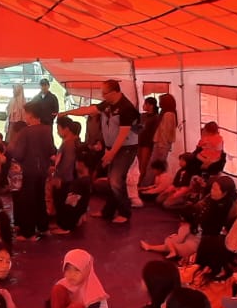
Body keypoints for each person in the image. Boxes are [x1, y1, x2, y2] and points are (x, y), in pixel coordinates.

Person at [60, 79, 142, 224]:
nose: (103, 96)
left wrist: (111, 153)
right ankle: (108, 212)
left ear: (115, 92)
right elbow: (88, 110)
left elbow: (123, 135)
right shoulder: (108, 105)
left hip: (126, 148)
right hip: (113, 147)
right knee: (112, 181)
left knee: (116, 180)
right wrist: (66, 113)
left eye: (105, 93)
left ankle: (125, 212)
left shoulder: (126, 108)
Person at [7, 101, 57, 240]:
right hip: (42, 171)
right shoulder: (47, 130)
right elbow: (51, 150)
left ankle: (28, 232)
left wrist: (11, 149)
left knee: (27, 201)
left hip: (28, 171)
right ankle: (43, 227)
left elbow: (19, 154)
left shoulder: (25, 132)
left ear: (30, 114)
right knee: (40, 199)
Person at [134, 96, 160, 190]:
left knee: (144, 164)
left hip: (147, 143)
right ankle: (136, 181)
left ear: (150, 105)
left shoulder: (156, 117)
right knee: (137, 163)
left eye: (145, 104)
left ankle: (141, 183)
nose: (143, 106)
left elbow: (154, 131)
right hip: (139, 141)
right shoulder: (142, 115)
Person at [153, 93, 179, 174]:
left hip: (162, 143)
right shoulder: (168, 113)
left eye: (160, 101)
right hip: (162, 143)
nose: (159, 103)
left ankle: (158, 179)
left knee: (158, 165)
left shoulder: (168, 114)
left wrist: (162, 145)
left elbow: (165, 131)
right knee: (158, 164)